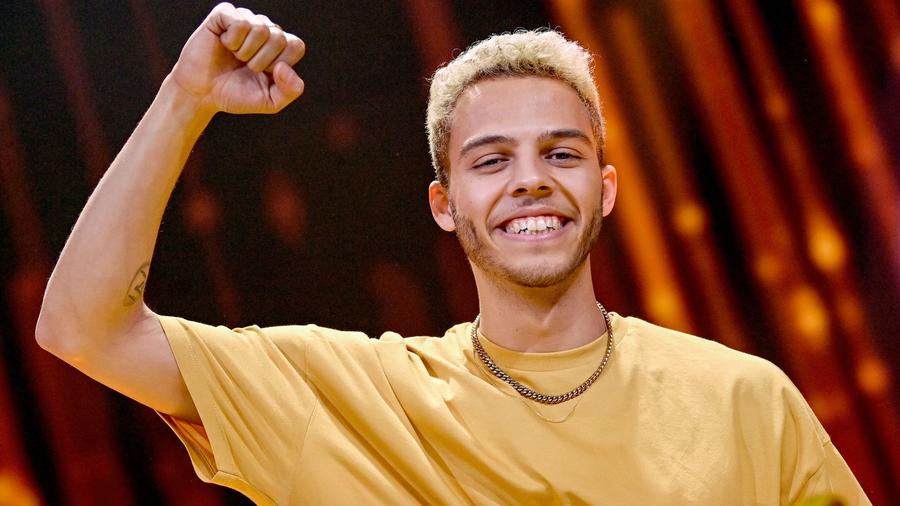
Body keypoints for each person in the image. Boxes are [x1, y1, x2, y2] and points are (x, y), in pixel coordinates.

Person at [35, 3, 870, 505]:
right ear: (444, 205)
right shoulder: (355, 400)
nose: (531, 180)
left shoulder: (743, 401)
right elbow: (82, 328)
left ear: (606, 189)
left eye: (562, 153)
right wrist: (184, 99)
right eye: (491, 160)